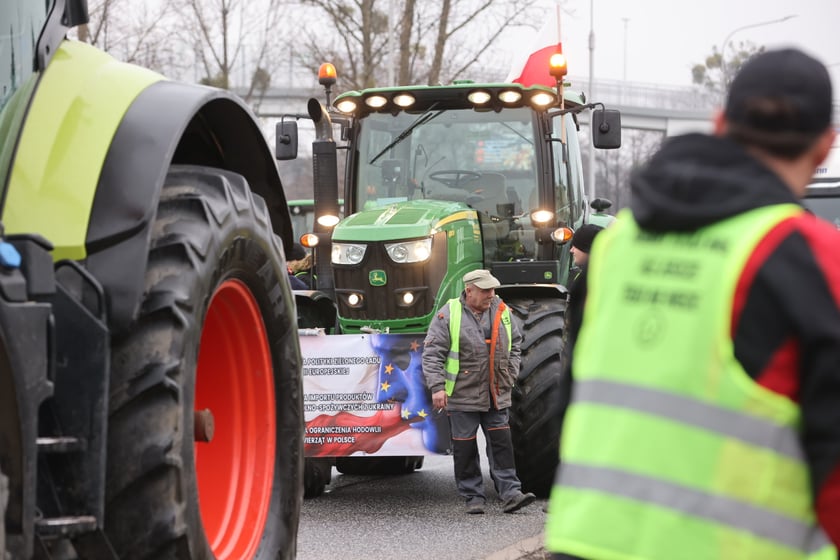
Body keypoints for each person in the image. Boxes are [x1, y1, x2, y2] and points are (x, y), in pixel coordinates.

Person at [545, 48, 840, 559]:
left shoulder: (617, 248)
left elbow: (570, 404)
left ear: (722, 122)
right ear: (824, 146)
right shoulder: (808, 257)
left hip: (588, 541)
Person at [422, 269, 536, 515]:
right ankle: (473, 496)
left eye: (493, 289)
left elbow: (516, 343)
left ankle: (511, 493)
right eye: (485, 290)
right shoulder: (448, 314)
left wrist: (511, 372)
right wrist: (438, 388)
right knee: (465, 447)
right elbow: (432, 355)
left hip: (496, 392)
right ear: (469, 290)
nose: (491, 295)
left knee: (501, 444)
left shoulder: (502, 310)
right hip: (462, 395)